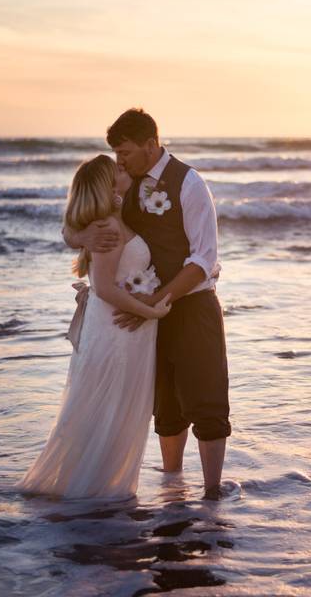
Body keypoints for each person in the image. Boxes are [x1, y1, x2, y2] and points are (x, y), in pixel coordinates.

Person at [64, 108, 231, 499]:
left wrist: (156, 301)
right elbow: (78, 220)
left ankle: (212, 493)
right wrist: (81, 239)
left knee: (205, 399)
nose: (119, 161)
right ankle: (172, 485)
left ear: (151, 145)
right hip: (146, 315)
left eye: (125, 152)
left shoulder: (189, 185)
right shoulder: (124, 185)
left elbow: (203, 259)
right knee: (166, 406)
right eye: (117, 154)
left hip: (190, 306)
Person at [16, 154, 170, 500]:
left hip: (123, 329)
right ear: (108, 185)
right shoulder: (106, 227)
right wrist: (152, 312)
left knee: (115, 409)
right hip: (117, 330)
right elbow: (104, 287)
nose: (123, 167)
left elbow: (77, 237)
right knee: (108, 408)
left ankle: (101, 489)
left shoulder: (114, 216)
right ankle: (95, 495)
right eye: (116, 168)